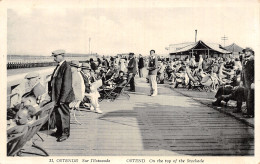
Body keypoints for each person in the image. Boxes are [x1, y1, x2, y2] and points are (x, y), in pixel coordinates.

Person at [49, 49, 75, 142]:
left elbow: (67, 85)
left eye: (55, 56)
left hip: (63, 97)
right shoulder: (59, 66)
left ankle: (65, 133)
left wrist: (63, 99)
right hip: (56, 96)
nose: (54, 58)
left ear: (62, 55)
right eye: (54, 56)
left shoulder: (66, 67)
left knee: (64, 115)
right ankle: (59, 131)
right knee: (57, 115)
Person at [241, 47, 254, 118]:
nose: (246, 53)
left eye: (247, 51)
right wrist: (241, 81)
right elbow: (243, 72)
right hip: (246, 82)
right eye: (245, 51)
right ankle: (249, 112)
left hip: (251, 82)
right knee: (247, 97)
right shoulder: (245, 60)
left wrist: (254, 82)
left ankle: (251, 113)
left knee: (250, 98)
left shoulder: (253, 60)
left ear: (251, 52)